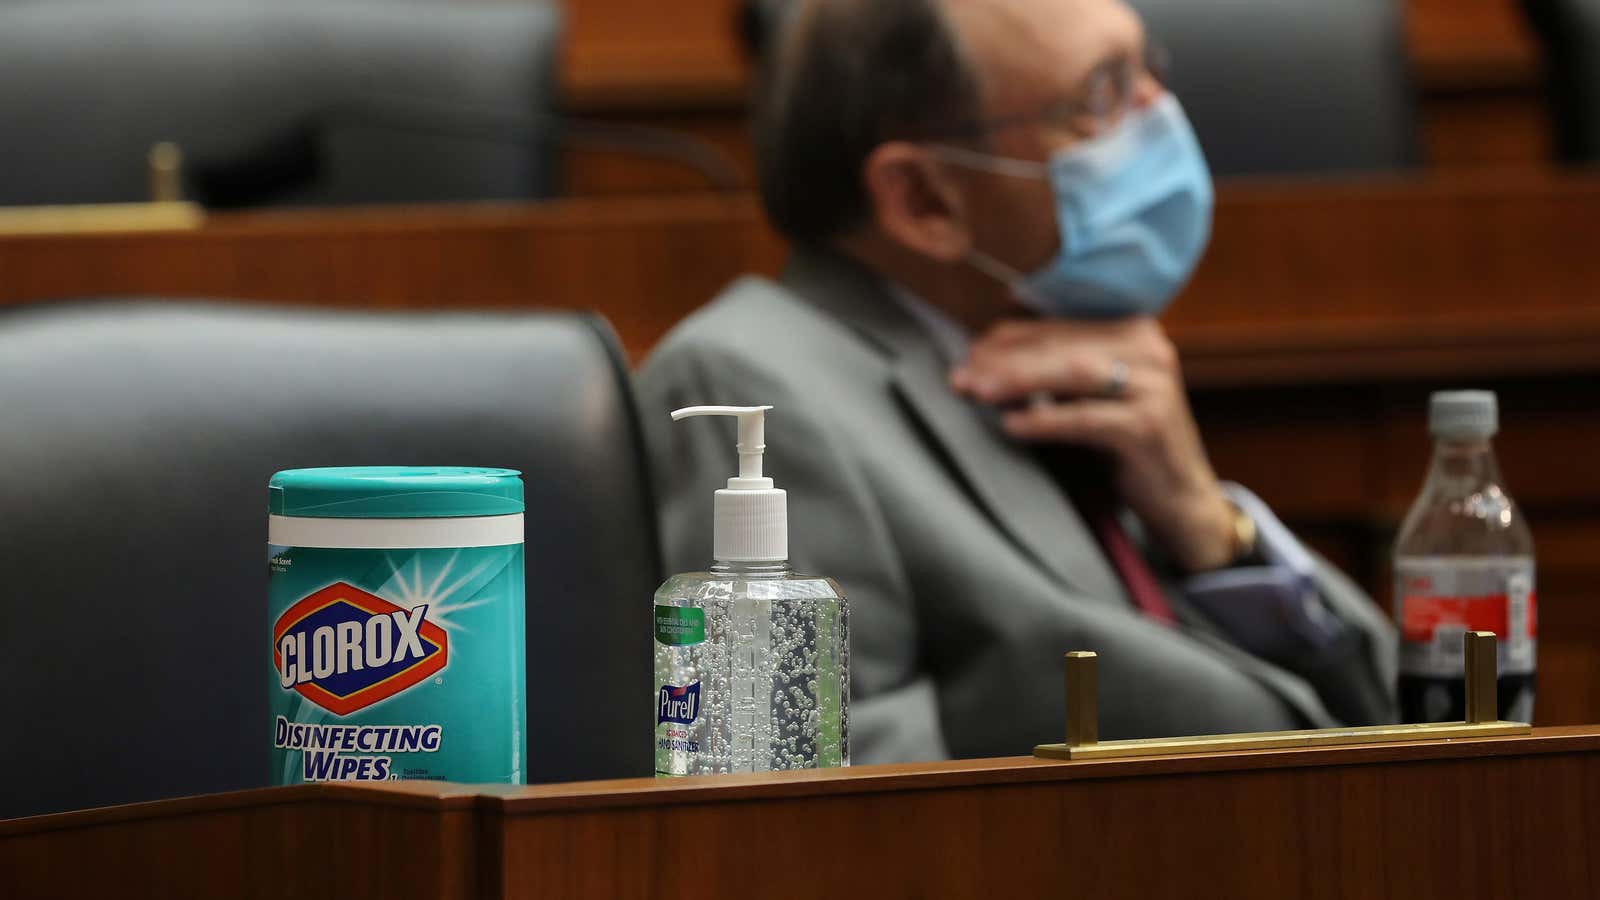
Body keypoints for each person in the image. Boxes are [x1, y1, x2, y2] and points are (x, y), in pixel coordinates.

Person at [637, 0, 1396, 764]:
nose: (1160, 115)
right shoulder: (749, 389)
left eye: (1147, 71)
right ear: (924, 200)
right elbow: (823, 804)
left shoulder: (1079, 359)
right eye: (1101, 95)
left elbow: (1386, 709)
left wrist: (1208, 529)